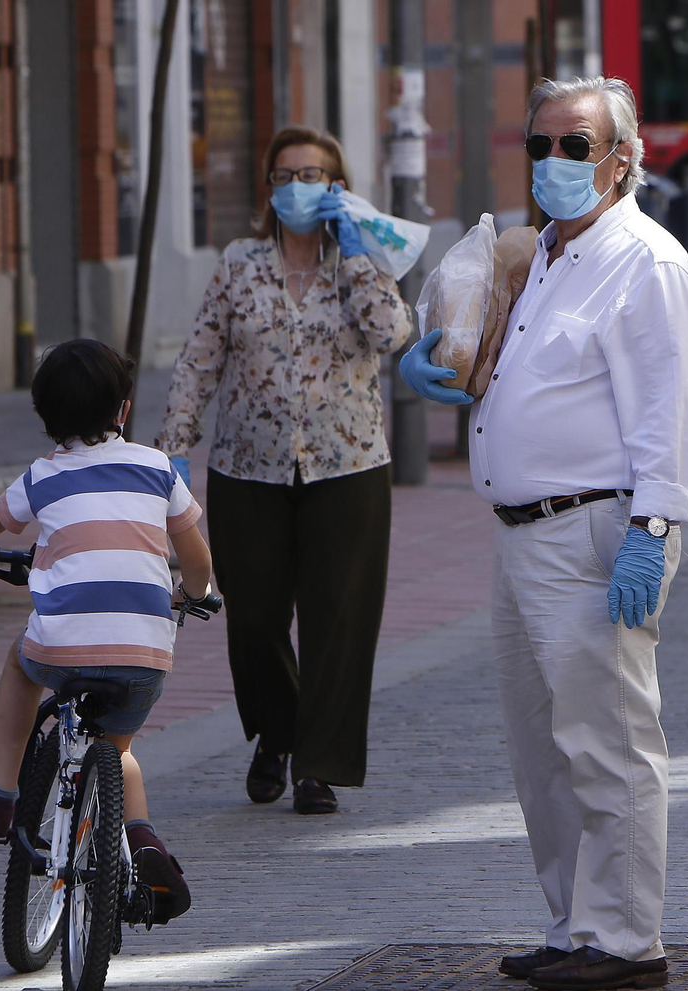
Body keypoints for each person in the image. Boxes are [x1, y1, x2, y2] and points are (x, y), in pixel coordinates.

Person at [401, 76, 688, 991]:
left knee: (609, 743)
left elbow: (665, 413)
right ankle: (576, 923)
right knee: (544, 754)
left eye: (577, 144)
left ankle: (626, 940)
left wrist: (653, 527)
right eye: (540, 145)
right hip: (523, 537)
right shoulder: (542, 257)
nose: (555, 162)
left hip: (594, 529)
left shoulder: (644, 261)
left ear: (622, 157)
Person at [152, 127, 412, 815]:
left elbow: (393, 334)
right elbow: (200, 358)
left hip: (348, 465)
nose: (300, 186)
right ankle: (277, 730)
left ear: (338, 186)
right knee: (257, 619)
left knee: (339, 621)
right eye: (287, 174)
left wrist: (356, 257)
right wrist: (174, 444)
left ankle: (317, 764)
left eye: (316, 174)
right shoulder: (239, 265)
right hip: (248, 469)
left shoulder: (365, 257)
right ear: (269, 189)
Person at [0, 339, 208, 924]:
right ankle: (143, 842)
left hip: (63, 645)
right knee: (115, 748)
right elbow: (196, 557)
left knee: (19, 663)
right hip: (143, 652)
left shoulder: (43, 476)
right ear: (124, 409)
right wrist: (197, 594)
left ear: (44, 418)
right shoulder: (157, 468)